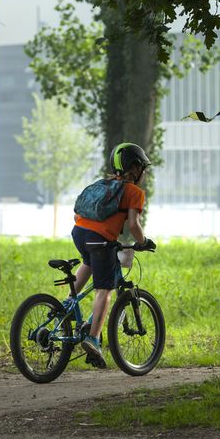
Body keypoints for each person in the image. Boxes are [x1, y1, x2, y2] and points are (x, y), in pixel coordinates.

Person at [70, 142, 155, 367]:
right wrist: (143, 242)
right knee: (105, 290)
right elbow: (134, 225)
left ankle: (67, 304)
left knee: (89, 261)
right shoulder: (134, 192)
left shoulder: (101, 184)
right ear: (135, 168)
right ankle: (93, 338)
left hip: (79, 232)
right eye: (142, 168)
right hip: (100, 239)